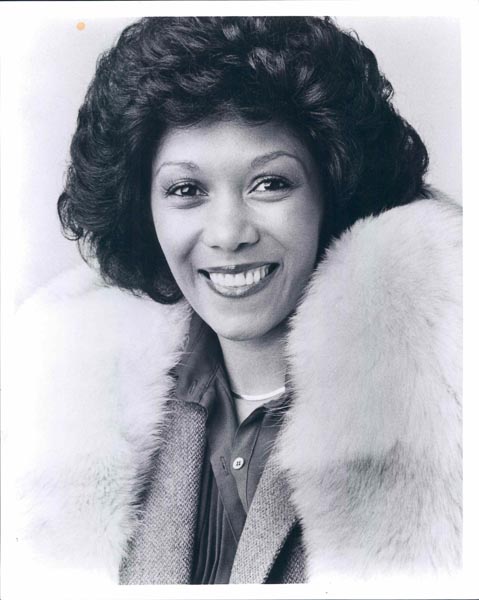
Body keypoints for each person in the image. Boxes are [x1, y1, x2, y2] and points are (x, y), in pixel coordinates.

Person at [13, 16, 461, 586]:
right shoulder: (69, 414)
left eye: (270, 183)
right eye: (186, 190)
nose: (228, 234)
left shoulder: (448, 408)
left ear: (332, 190)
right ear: (142, 208)